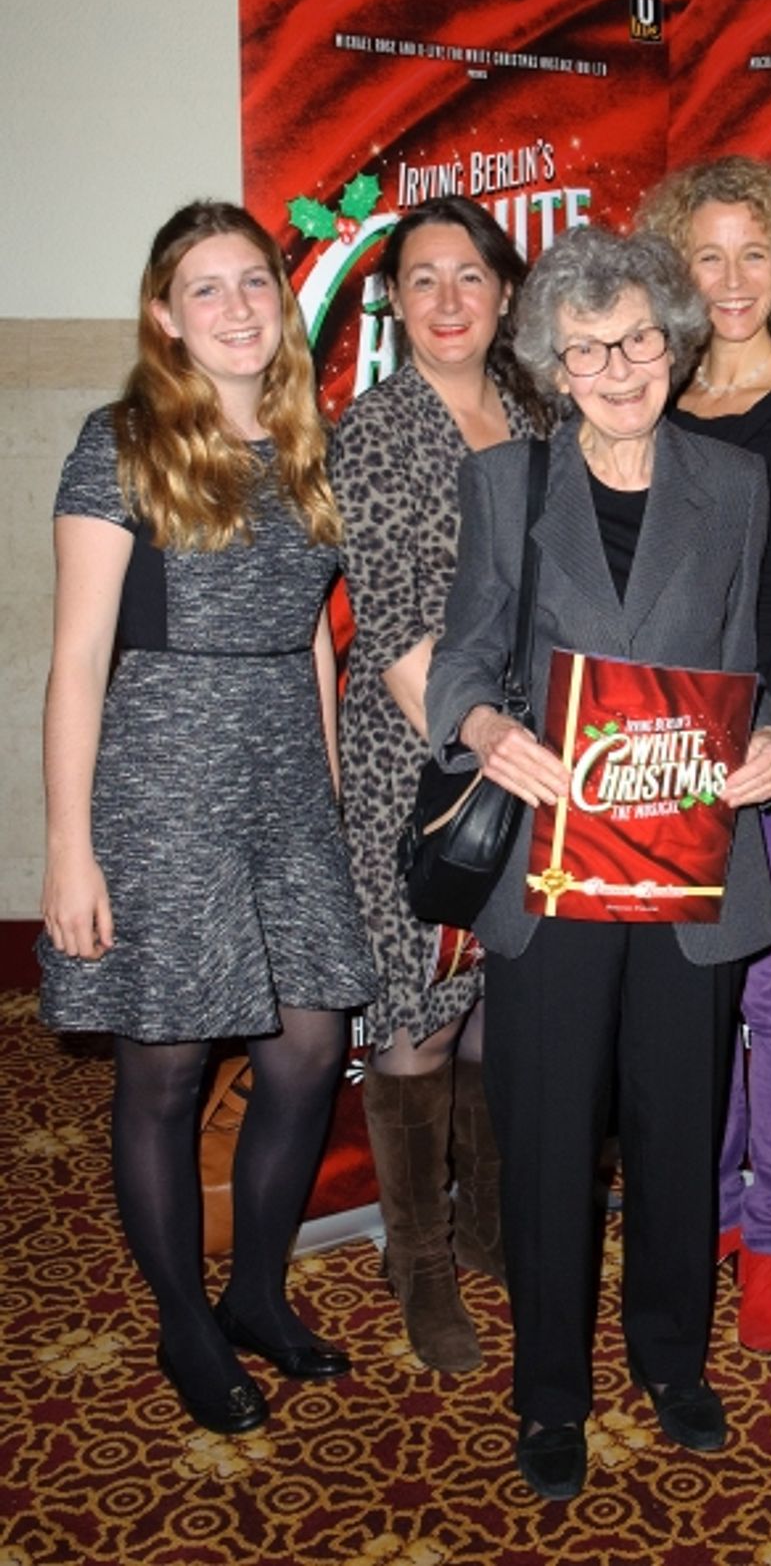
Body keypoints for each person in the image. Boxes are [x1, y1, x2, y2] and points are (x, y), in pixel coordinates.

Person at [425, 225, 771, 1500]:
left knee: (679, 1121)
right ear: (553, 363)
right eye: (588, 349)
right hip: (555, 862)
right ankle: (550, 1391)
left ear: (674, 342)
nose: (621, 366)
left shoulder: (736, 485)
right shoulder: (507, 487)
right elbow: (467, 661)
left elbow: (753, 664)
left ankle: (671, 1363)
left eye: (639, 338)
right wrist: (489, 730)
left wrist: (770, 743)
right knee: (546, 1129)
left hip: (687, 860)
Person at [38, 201, 377, 1437]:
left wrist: (329, 800)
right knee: (166, 1064)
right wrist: (68, 847)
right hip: (163, 774)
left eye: (255, 283)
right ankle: (184, 1318)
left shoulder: (306, 441)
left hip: (285, 775)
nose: (238, 307)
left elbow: (312, 649)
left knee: (307, 1040)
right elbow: (76, 660)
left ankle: (253, 1292)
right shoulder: (120, 441)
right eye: (207, 288)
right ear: (166, 316)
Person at [639, 155, 771, 1352]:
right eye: (706, 255)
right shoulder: (649, 400)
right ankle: (708, 1206)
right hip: (663, 744)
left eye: (753, 253)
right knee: (688, 996)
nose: (730, 280)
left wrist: (770, 727)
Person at [330, 196, 549, 1374]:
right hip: (421, 760)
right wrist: (486, 746)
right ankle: (417, 1259)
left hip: (529, 750)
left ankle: (486, 1228)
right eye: (423, 279)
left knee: (501, 1004)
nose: (450, 299)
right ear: (396, 302)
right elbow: (402, 623)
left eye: (470, 275)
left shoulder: (537, 413)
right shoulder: (374, 430)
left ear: (505, 292)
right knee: (416, 1017)